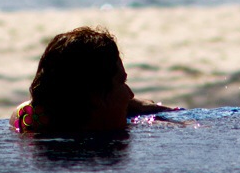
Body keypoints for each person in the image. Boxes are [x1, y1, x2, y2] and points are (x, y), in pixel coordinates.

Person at [10, 27, 176, 134]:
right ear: (95, 96)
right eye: (121, 82)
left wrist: (137, 105)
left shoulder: (32, 121)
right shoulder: (107, 137)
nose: (130, 94)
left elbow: (29, 106)